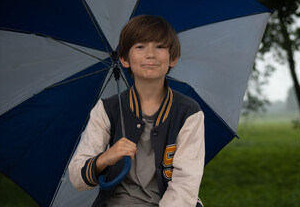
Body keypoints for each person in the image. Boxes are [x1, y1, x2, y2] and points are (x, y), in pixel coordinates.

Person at [68, 15, 205, 207]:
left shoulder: (188, 112)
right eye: (140, 46)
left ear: (173, 58)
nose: (150, 54)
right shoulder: (107, 109)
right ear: (124, 59)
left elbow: (185, 183)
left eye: (160, 46)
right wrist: (107, 157)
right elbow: (77, 177)